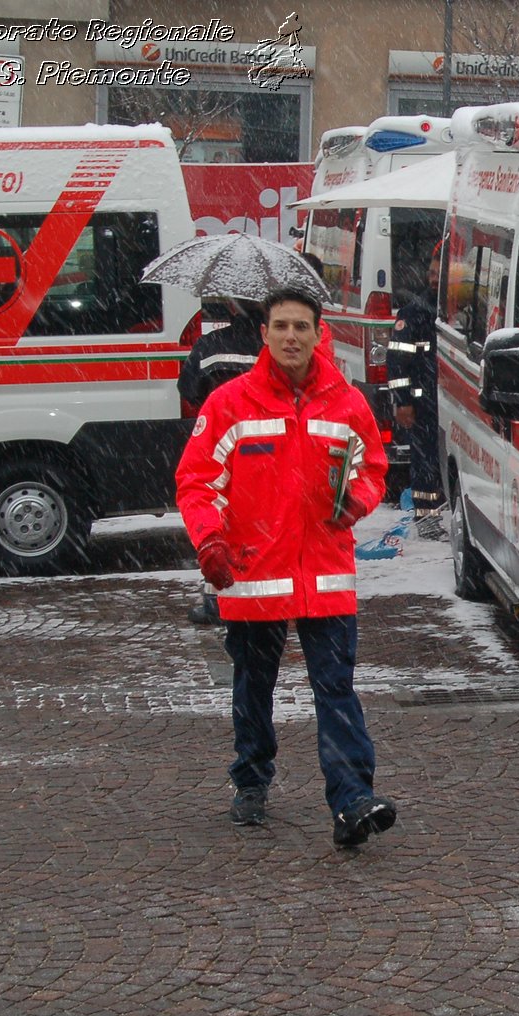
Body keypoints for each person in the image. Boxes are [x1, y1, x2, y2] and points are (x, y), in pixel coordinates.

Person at [175, 285, 397, 848]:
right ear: (264, 334)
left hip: (326, 577)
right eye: (281, 327)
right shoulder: (229, 404)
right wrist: (210, 543)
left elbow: (373, 468)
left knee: (336, 690)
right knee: (254, 687)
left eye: (301, 326)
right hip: (253, 577)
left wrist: (358, 501)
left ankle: (351, 802)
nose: (291, 336)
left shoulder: (346, 403)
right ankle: (251, 780)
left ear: (318, 332)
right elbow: (196, 482)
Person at [179, 299, 267, 625]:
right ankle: (262, 591)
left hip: (219, 444)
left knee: (218, 517)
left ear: (232, 308)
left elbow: (188, 387)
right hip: (265, 445)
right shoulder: (274, 348)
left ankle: (216, 596)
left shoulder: (210, 345)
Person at [387, 248, 444, 532]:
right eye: (431, 273)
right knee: (425, 459)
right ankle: (426, 516)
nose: (434, 279)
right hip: (424, 404)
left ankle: (446, 510)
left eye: (439, 274)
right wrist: (402, 402)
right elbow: (397, 363)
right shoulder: (413, 313)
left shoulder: (460, 313)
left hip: (451, 403)